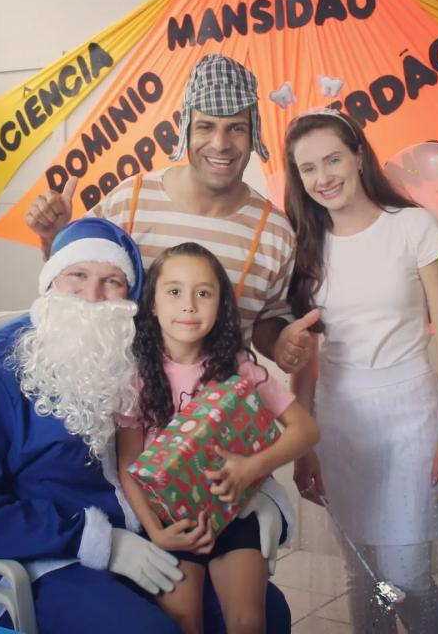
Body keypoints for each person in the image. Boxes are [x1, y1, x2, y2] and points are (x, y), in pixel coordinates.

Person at [0, 218, 294, 634]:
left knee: (268, 613)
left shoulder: (143, 356)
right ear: (51, 280)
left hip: (145, 537)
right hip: (37, 561)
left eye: (112, 282)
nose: (92, 296)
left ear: (132, 296)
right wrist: (102, 542)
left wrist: (257, 491)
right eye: (77, 276)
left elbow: (195, 442)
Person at [283, 108, 438, 633]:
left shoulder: (413, 227)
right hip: (339, 421)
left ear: (359, 156)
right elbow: (308, 354)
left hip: (411, 414)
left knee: (407, 578)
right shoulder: (305, 247)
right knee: (363, 578)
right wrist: (303, 442)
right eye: (308, 168)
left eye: (334, 159)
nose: (324, 177)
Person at [26, 53, 319, 376]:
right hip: (124, 395)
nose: (220, 143)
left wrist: (279, 345)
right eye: (206, 126)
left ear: (253, 134)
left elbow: (268, 318)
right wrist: (54, 237)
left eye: (236, 128)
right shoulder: (130, 199)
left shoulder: (275, 232)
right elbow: (76, 284)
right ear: (185, 129)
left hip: (217, 403)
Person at [117, 243, 319, 634]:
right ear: (153, 304)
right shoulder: (136, 376)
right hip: (171, 520)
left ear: (221, 305)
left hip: (235, 512)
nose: (189, 306)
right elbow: (129, 465)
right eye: (174, 291)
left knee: (248, 621)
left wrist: (252, 468)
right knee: (183, 621)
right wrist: (156, 531)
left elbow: (306, 430)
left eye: (204, 293)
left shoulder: (236, 367)